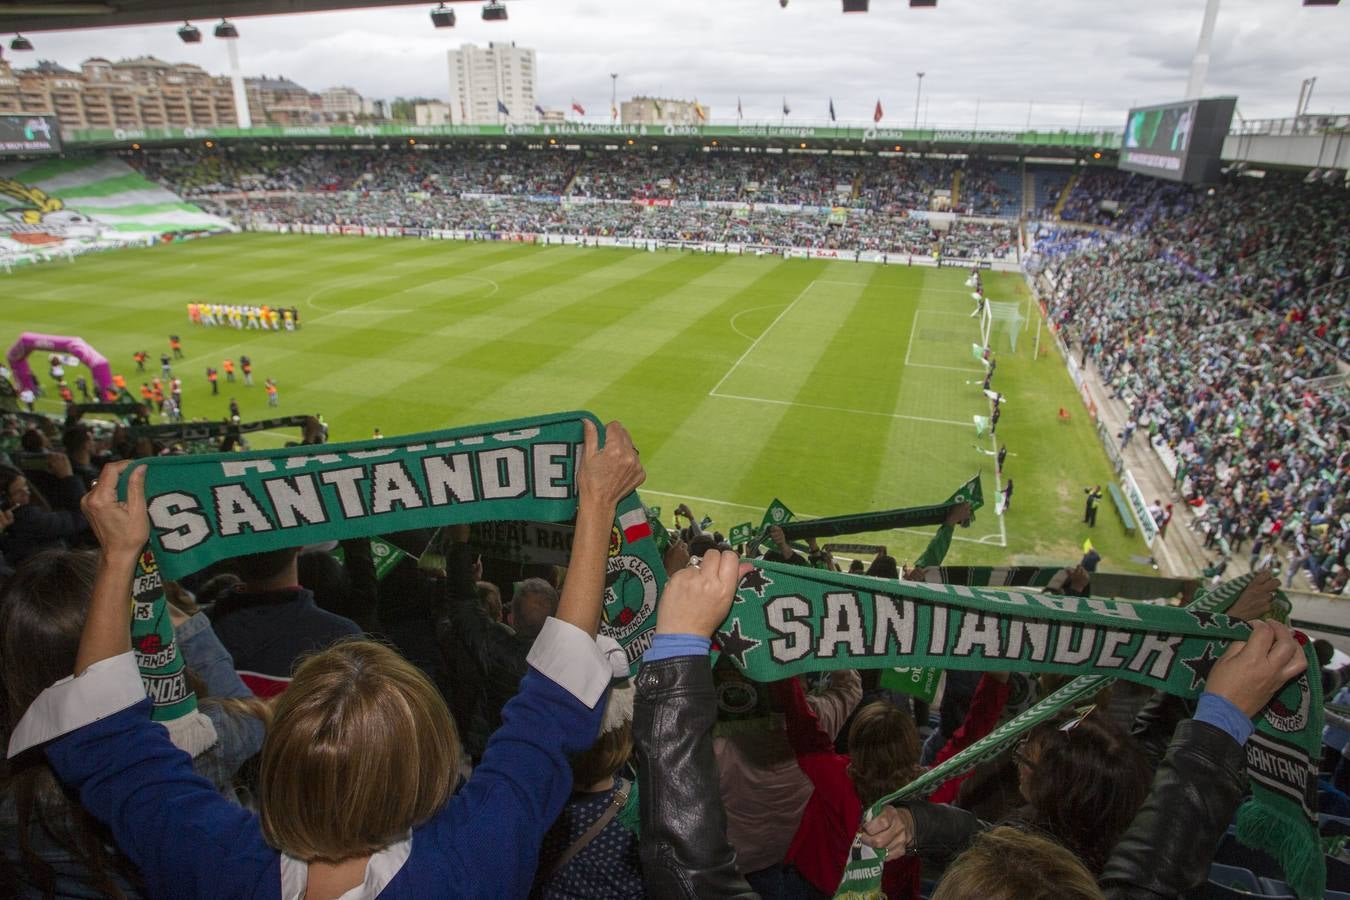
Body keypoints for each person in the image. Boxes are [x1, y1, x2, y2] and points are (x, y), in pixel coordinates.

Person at [17, 424, 644, 898]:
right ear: (433, 778)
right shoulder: (472, 864)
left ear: (282, 766)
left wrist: (122, 556)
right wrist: (596, 510)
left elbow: (106, 736)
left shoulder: (211, 861)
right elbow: (552, 708)